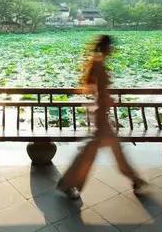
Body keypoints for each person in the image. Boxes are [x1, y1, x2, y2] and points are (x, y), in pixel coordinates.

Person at [57, 35, 146, 199]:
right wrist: (107, 101)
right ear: (106, 47)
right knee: (101, 152)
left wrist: (106, 101)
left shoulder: (97, 62)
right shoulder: (99, 64)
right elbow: (101, 91)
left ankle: (68, 183)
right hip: (101, 114)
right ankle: (68, 183)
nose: (112, 49)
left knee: (97, 151)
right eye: (110, 46)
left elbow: (97, 89)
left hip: (100, 112)